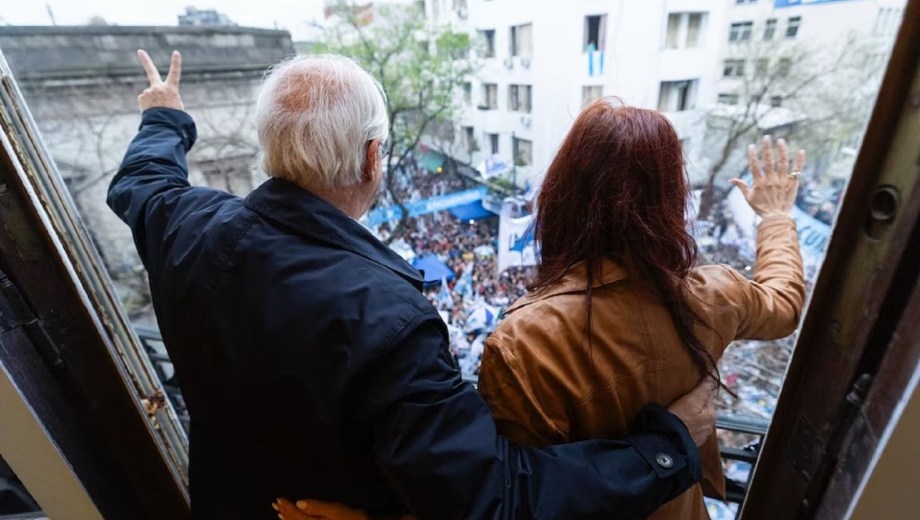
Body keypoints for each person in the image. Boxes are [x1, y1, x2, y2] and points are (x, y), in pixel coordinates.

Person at [108, 51, 717, 519]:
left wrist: (163, 115)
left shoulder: (185, 227)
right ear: (374, 158)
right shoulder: (386, 320)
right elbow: (494, 499)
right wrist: (662, 451)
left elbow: (140, 183)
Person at [475, 101, 806, 518]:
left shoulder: (524, 342)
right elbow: (785, 303)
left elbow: (515, 496)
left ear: (561, 195)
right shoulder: (716, 296)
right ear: (671, 200)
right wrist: (775, 218)